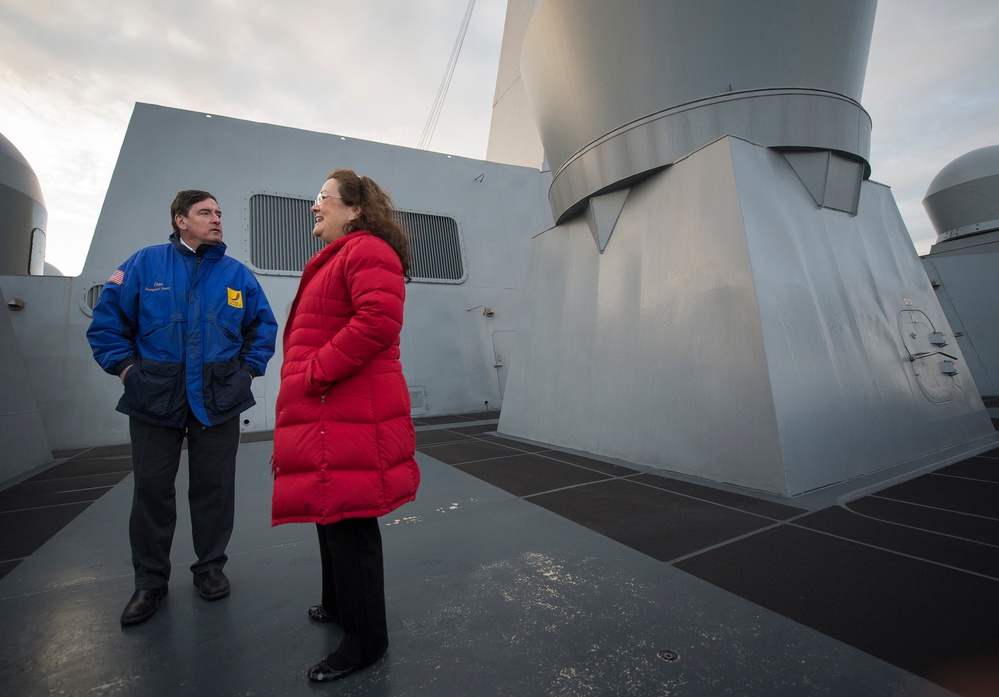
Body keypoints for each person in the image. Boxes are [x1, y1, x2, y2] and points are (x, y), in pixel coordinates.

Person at [87, 189, 277, 626]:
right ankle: (150, 582)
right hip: (155, 396)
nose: (216, 219)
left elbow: (262, 326)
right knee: (152, 491)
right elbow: (107, 324)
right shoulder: (144, 264)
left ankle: (210, 568)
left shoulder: (237, 275)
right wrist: (126, 371)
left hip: (219, 397)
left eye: (219, 212)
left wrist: (247, 373)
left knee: (214, 489)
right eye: (205, 212)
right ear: (180, 220)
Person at [271, 169, 420, 682]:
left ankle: (366, 642)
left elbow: (378, 321)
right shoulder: (338, 255)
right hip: (332, 411)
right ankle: (337, 607)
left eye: (323, 198)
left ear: (355, 209)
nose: (315, 206)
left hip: (348, 410)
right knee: (329, 512)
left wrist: (315, 371)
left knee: (351, 524)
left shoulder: (367, 251)